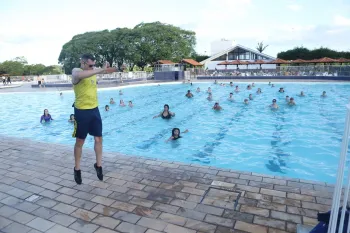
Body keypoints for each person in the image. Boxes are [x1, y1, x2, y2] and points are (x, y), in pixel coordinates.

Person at [71, 53, 117, 185]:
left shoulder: (92, 72)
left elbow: (107, 71)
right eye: (91, 65)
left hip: (94, 110)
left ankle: (98, 165)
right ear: (83, 63)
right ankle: (77, 169)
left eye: (94, 65)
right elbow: (78, 76)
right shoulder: (76, 71)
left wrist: (119, 69)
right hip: (81, 111)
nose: (93, 68)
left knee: (98, 138)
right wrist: (100, 69)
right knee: (80, 141)